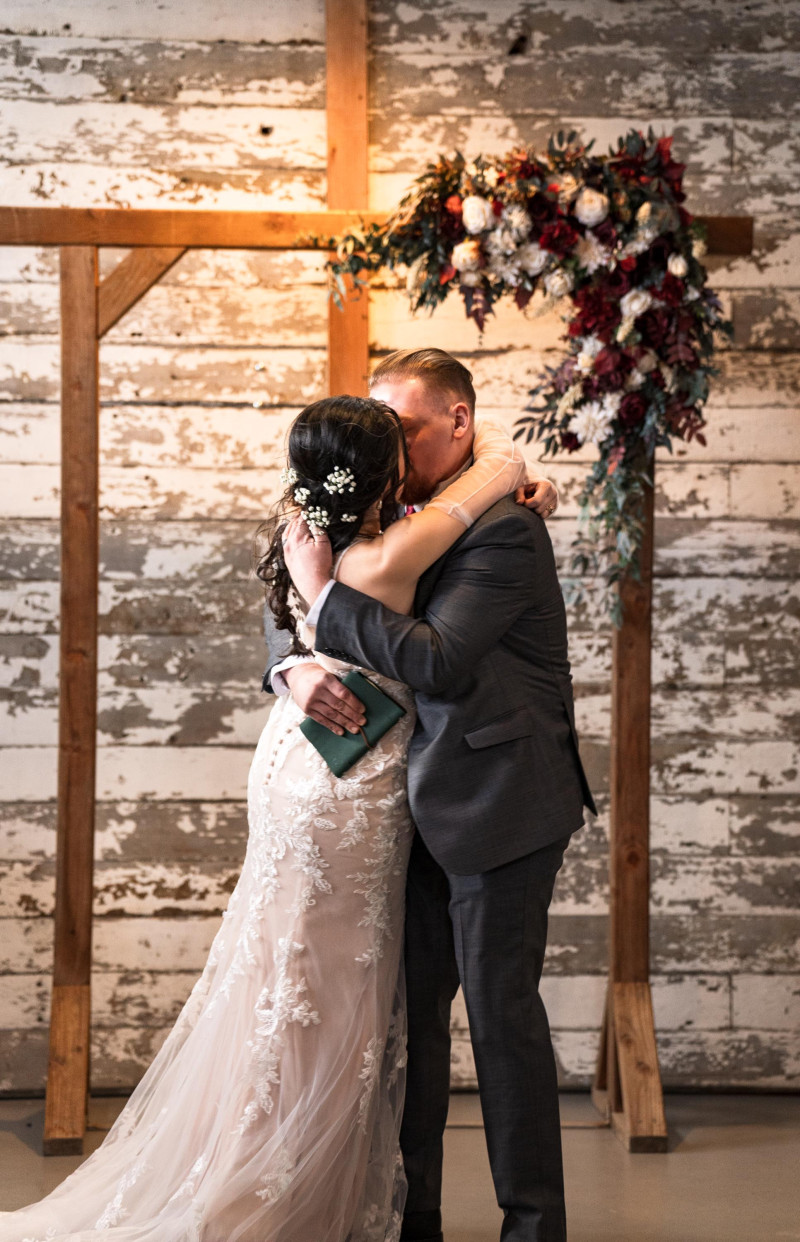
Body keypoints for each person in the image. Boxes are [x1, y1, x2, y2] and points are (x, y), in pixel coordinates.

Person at [0, 393, 529, 1242]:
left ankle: (261, 1162)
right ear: (385, 469)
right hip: (347, 783)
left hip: (294, 758)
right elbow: (475, 493)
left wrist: (297, 652)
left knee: (283, 972)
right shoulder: (384, 556)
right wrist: (515, 470)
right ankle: (281, 1188)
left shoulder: (298, 529)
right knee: (328, 984)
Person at [275, 349, 597, 1242]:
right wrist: (292, 669)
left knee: (501, 1026)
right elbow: (286, 598)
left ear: (461, 424)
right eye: (379, 423)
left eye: (405, 426)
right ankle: (410, 1219)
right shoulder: (380, 503)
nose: (388, 441)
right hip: (399, 808)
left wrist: (326, 596)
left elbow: (439, 659)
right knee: (408, 1030)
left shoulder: (505, 527)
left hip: (500, 799)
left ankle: (534, 1228)